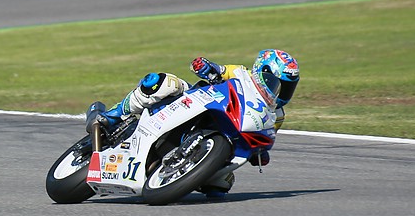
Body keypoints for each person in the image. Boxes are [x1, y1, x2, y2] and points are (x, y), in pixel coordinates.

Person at [92, 48, 299, 196]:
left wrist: (260, 153)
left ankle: (182, 174)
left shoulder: (276, 115)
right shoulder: (241, 73)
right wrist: (205, 66)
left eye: (287, 87)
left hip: (226, 139)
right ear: (262, 72)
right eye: (279, 83)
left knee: (221, 186)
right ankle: (112, 115)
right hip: (198, 103)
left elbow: (263, 138)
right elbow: (216, 69)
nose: (281, 91)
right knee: (163, 83)